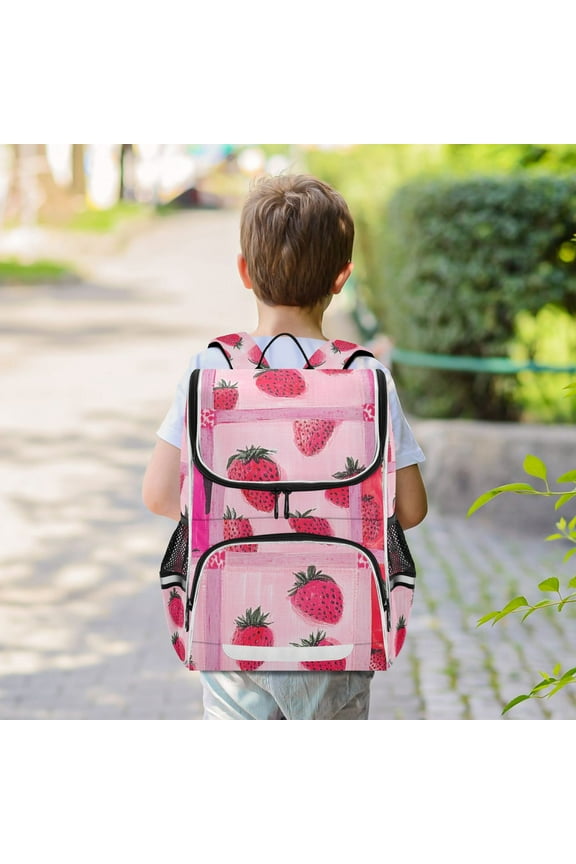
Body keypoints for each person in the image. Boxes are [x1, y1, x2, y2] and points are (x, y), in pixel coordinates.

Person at [142, 173, 428, 720]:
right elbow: (410, 510)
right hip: (338, 637)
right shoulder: (368, 378)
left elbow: (158, 495)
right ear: (342, 277)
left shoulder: (210, 371)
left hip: (230, 628)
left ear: (245, 272)